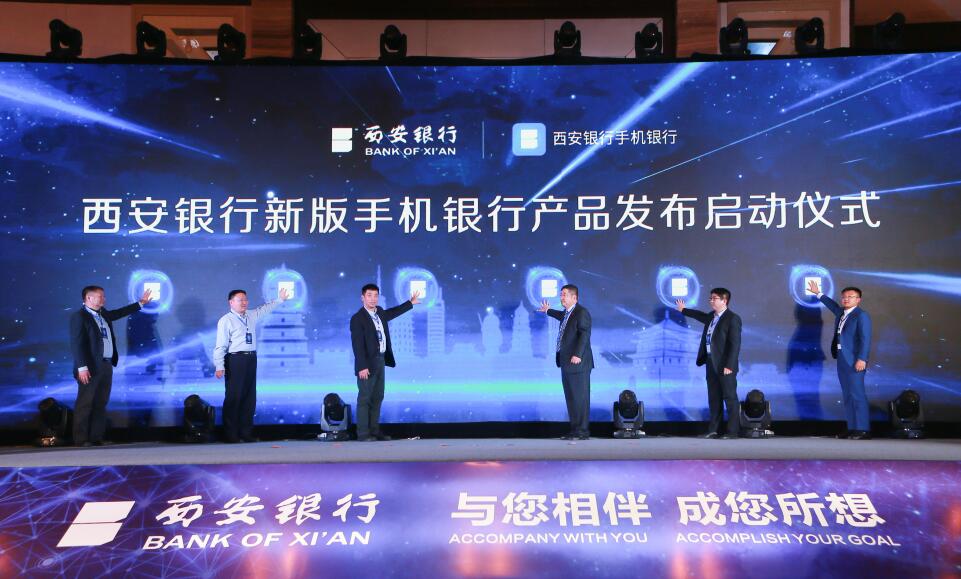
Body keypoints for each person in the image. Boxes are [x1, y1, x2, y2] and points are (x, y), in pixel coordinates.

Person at [69, 285, 153, 446]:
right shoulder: (80, 316)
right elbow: (77, 344)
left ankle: (96, 437)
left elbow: (119, 313)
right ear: (88, 298)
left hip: (106, 364)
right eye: (100, 296)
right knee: (85, 403)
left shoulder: (103, 314)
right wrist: (82, 367)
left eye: (103, 296)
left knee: (101, 402)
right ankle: (80, 439)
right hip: (89, 367)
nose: (104, 299)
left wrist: (140, 303)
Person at [213, 287, 289, 443]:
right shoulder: (226, 320)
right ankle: (231, 434)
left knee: (249, 397)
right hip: (235, 360)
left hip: (251, 358)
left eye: (245, 299)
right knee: (234, 397)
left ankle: (246, 433)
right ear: (231, 302)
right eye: (240, 300)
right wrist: (219, 366)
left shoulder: (250, 315)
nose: (244, 302)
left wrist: (280, 299)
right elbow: (220, 345)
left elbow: (265, 309)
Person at [350, 284, 420, 441]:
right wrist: (362, 366)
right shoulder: (358, 318)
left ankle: (374, 431)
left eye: (375, 295)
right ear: (362, 298)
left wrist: (410, 303)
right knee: (365, 398)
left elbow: (393, 313)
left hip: (380, 360)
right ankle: (363, 433)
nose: (373, 299)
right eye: (369, 295)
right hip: (367, 364)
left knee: (378, 396)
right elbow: (357, 345)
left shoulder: (380, 312)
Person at [807, 280, 873, 440]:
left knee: (857, 395)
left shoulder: (861, 315)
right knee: (847, 395)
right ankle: (852, 427)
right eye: (844, 297)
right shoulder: (842, 313)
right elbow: (832, 305)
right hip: (842, 359)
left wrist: (862, 359)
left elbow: (865, 339)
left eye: (850, 297)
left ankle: (863, 429)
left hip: (855, 360)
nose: (846, 299)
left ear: (858, 300)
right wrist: (818, 293)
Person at [676, 288, 742, 439]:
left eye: (714, 298)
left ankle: (732, 431)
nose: (711, 301)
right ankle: (713, 430)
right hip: (711, 361)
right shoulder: (711, 316)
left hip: (725, 365)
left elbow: (735, 345)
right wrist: (683, 310)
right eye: (710, 298)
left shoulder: (732, 318)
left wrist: (729, 365)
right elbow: (699, 315)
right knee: (714, 398)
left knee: (730, 398)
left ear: (724, 301)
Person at [539, 284, 594, 440]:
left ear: (574, 297)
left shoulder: (581, 312)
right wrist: (548, 311)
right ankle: (575, 430)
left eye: (564, 295)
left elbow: (584, 334)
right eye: (561, 294)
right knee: (571, 398)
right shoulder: (567, 313)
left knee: (580, 398)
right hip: (566, 363)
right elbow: (560, 316)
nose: (561, 297)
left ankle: (582, 431)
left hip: (578, 363)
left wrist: (577, 354)